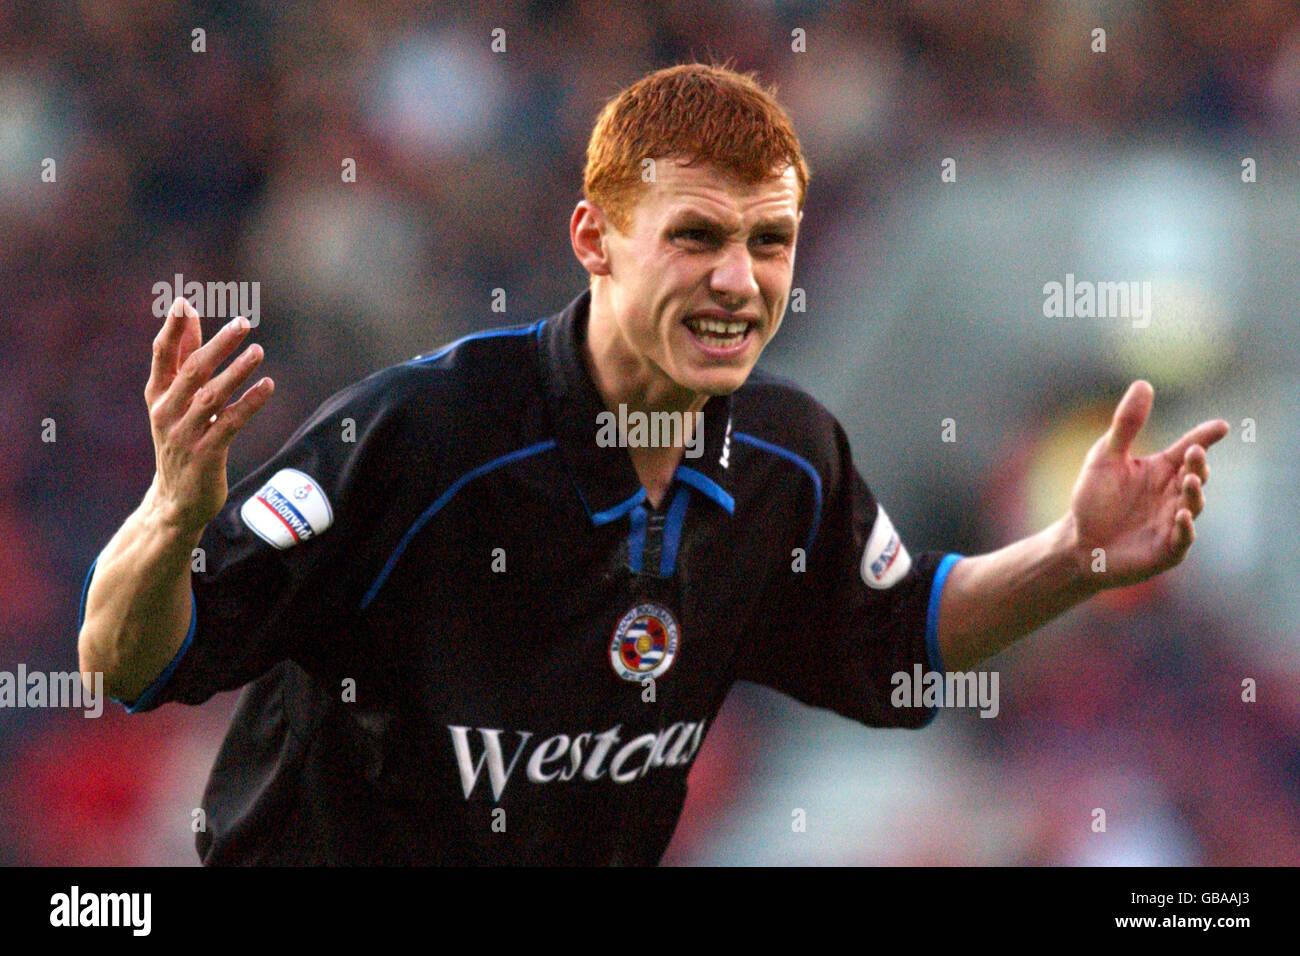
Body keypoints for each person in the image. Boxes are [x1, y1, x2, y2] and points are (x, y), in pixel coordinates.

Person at [76, 62, 1227, 864]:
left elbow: (906, 631)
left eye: (767, 242)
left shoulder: (789, 458)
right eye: (696, 236)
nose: (739, 280)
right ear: (595, 240)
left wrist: (1075, 556)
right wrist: (175, 512)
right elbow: (125, 657)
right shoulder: (423, 434)